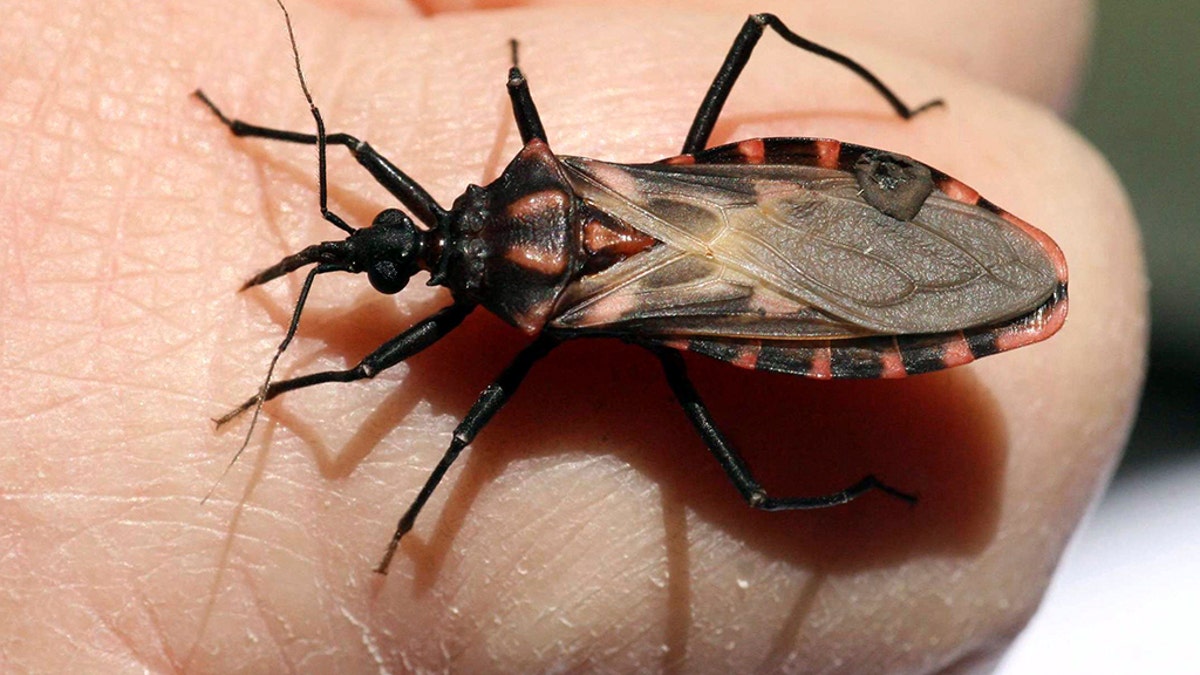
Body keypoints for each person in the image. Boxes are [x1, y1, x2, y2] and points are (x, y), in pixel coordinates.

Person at [0, 0, 1143, 671]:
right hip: (707, 213)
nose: (381, 250)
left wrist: (300, 410)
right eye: (388, 249)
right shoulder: (532, 188)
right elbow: (352, 183)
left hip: (712, 298)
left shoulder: (514, 307)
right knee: (751, 488)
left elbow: (371, 366)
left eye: (381, 245)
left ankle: (870, 472)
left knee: (752, 494)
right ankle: (897, 163)